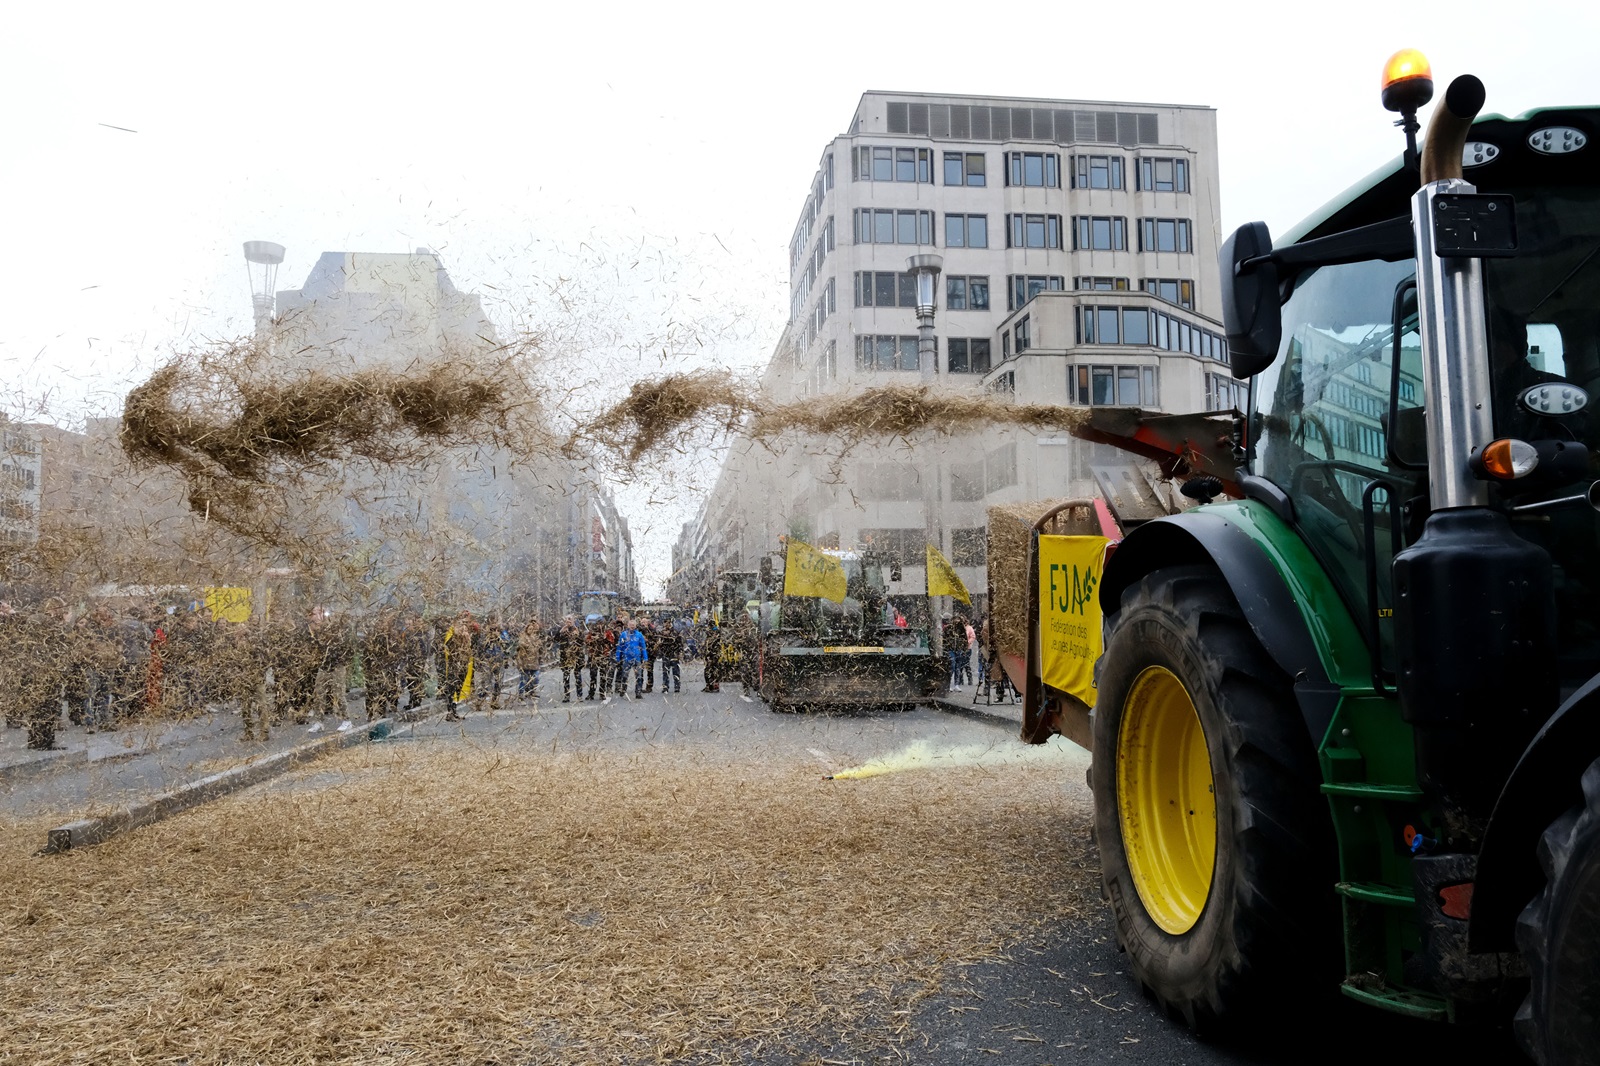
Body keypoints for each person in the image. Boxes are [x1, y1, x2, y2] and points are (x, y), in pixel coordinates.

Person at [440, 611, 479, 721]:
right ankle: (449, 712)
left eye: (466, 621)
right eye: (462, 621)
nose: (464, 624)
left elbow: (473, 645)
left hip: (464, 664)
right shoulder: (452, 631)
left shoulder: (467, 633)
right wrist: (457, 636)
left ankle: (454, 710)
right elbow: (447, 646)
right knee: (451, 688)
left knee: (458, 688)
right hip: (454, 664)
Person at [613, 620, 648, 699]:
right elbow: (620, 646)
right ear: (628, 625)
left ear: (635, 626)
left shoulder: (639, 635)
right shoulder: (623, 635)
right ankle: (623, 689)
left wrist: (645, 657)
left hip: (637, 658)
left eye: (633, 625)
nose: (632, 626)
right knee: (624, 675)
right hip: (626, 658)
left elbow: (643, 647)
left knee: (639, 676)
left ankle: (638, 692)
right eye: (630, 625)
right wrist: (618, 657)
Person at [554, 616, 584, 702]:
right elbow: (555, 640)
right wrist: (560, 631)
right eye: (567, 620)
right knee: (566, 677)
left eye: (570, 620)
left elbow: (582, 642)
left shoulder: (577, 630)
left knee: (578, 676)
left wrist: (578, 633)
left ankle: (579, 695)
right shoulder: (562, 631)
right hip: (565, 657)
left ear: (573, 621)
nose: (569, 622)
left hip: (576, 657)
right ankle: (567, 696)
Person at [516, 619, 544, 701]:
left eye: (532, 629)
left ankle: (532, 691)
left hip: (534, 662)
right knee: (524, 680)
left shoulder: (535, 638)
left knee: (535, 677)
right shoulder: (523, 637)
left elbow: (540, 647)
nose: (531, 631)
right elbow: (520, 644)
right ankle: (521, 695)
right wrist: (528, 646)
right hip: (525, 662)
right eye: (529, 629)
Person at [656, 621, 683, 694]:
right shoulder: (661, 633)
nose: (666, 625)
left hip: (674, 654)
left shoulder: (675, 632)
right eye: (665, 623)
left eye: (668, 623)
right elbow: (659, 644)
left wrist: (679, 652)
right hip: (665, 655)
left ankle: (677, 686)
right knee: (665, 672)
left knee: (676, 672)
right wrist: (659, 651)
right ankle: (665, 687)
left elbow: (680, 643)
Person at [941, 613, 966, 692]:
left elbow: (965, 638)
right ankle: (949, 684)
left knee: (958, 667)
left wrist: (964, 648)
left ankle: (956, 684)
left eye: (958, 619)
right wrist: (945, 648)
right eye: (955, 619)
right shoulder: (948, 628)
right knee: (952, 666)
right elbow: (944, 639)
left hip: (958, 649)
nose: (957, 621)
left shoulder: (961, 628)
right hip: (951, 649)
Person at [701, 618, 723, 693]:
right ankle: (714, 685)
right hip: (715, 654)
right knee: (714, 669)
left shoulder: (712, 633)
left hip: (712, 654)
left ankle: (710, 685)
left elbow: (707, 645)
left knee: (709, 670)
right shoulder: (717, 632)